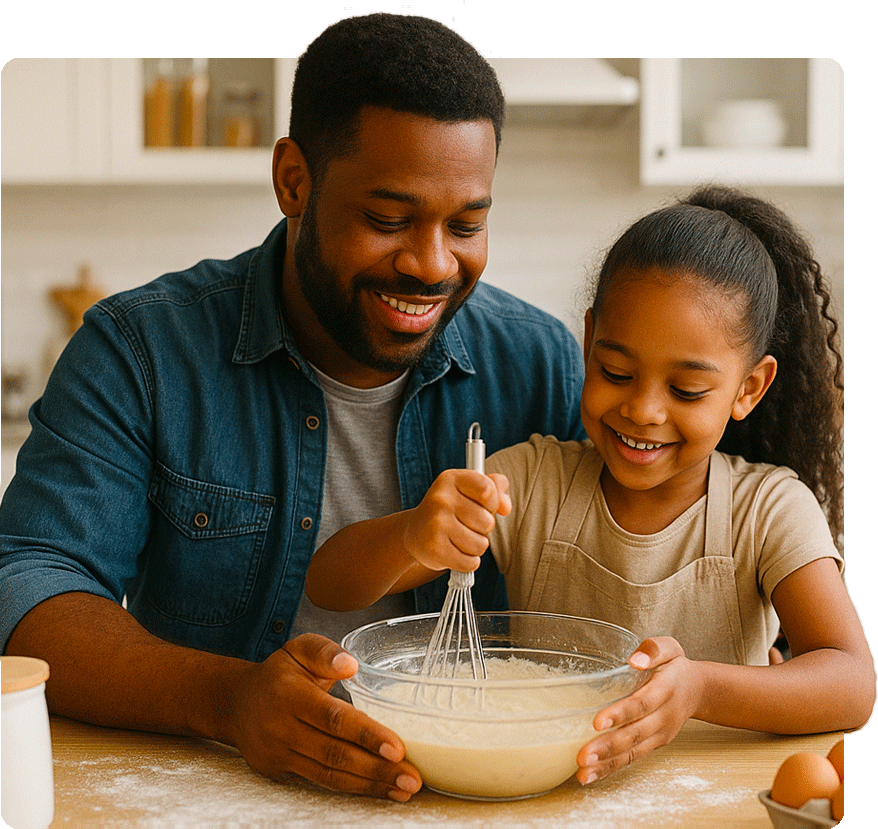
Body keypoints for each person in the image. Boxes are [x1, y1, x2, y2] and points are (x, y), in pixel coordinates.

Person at [0, 14, 586, 803]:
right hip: (204, 798)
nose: (432, 264)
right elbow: (29, 586)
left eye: (467, 224)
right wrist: (228, 698)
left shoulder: (539, 363)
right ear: (294, 182)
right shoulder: (139, 353)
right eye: (388, 220)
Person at [306, 185, 874, 786]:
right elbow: (330, 584)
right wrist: (414, 536)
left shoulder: (768, 510)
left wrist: (699, 687)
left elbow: (851, 682)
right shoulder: (530, 483)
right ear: (589, 338)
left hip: (714, 806)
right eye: (616, 372)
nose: (644, 410)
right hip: (549, 796)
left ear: (748, 390)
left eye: (686, 391)